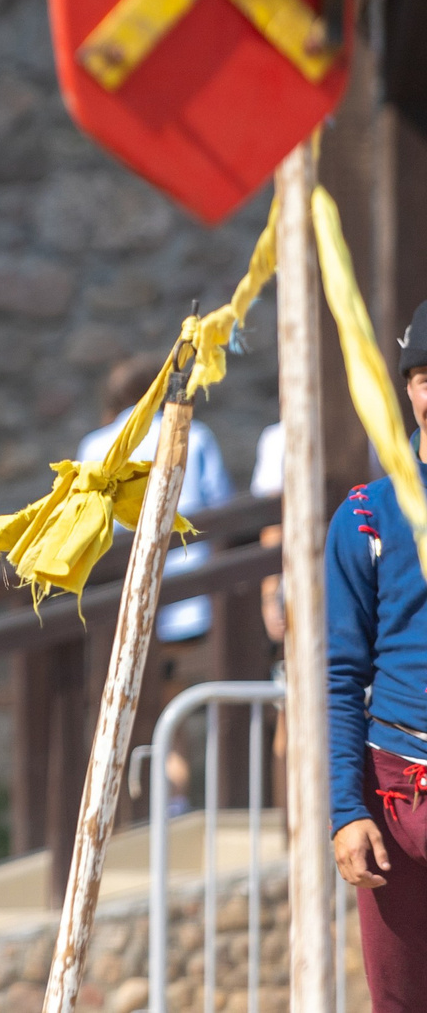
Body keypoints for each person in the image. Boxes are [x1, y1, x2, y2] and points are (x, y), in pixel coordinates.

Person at [329, 300, 427, 1009]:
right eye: (422, 375)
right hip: (393, 794)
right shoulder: (367, 513)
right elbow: (340, 674)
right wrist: (343, 808)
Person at [76, 353, 233, 641]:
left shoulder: (94, 447)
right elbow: (223, 507)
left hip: (119, 607)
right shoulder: (195, 436)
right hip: (194, 598)